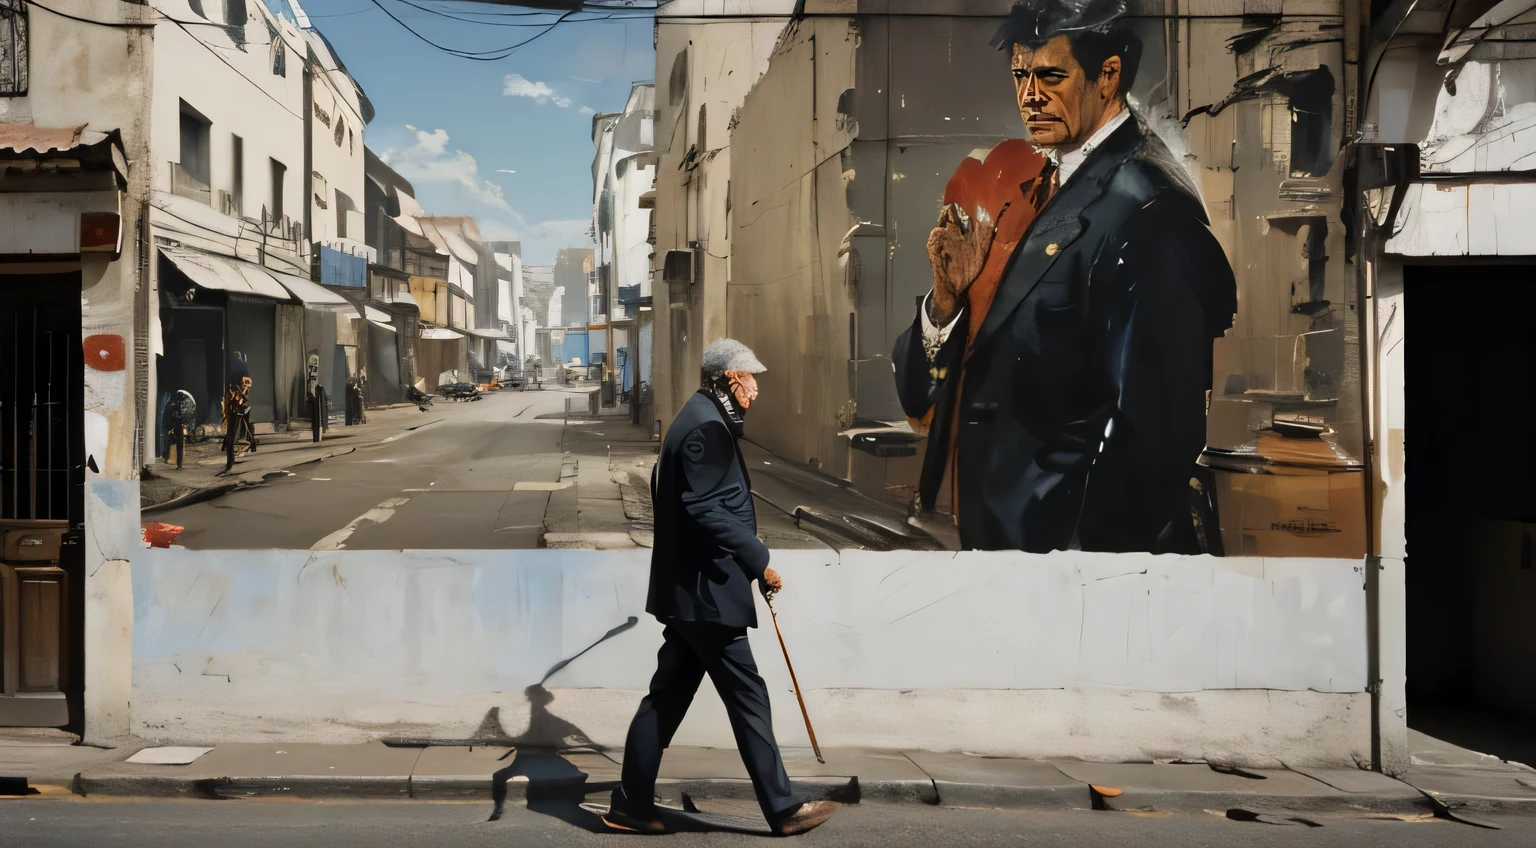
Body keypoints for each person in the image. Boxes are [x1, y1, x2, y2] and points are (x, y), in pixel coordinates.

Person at [893, 0, 1237, 555]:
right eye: (1019, 76)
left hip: (1068, 569)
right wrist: (946, 298)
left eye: (1051, 75)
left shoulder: (1150, 209)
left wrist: (1073, 578)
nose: (1030, 96)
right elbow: (925, 385)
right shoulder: (1031, 190)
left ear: (1108, 76)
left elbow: (1153, 446)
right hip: (1007, 552)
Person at [604, 338, 837, 837]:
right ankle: (782, 808)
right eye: (751, 378)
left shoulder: (701, 417)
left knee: (664, 700)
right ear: (731, 379)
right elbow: (705, 507)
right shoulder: (706, 427)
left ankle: (630, 802)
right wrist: (759, 560)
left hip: (694, 594)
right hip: (707, 596)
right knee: (748, 697)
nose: (756, 388)